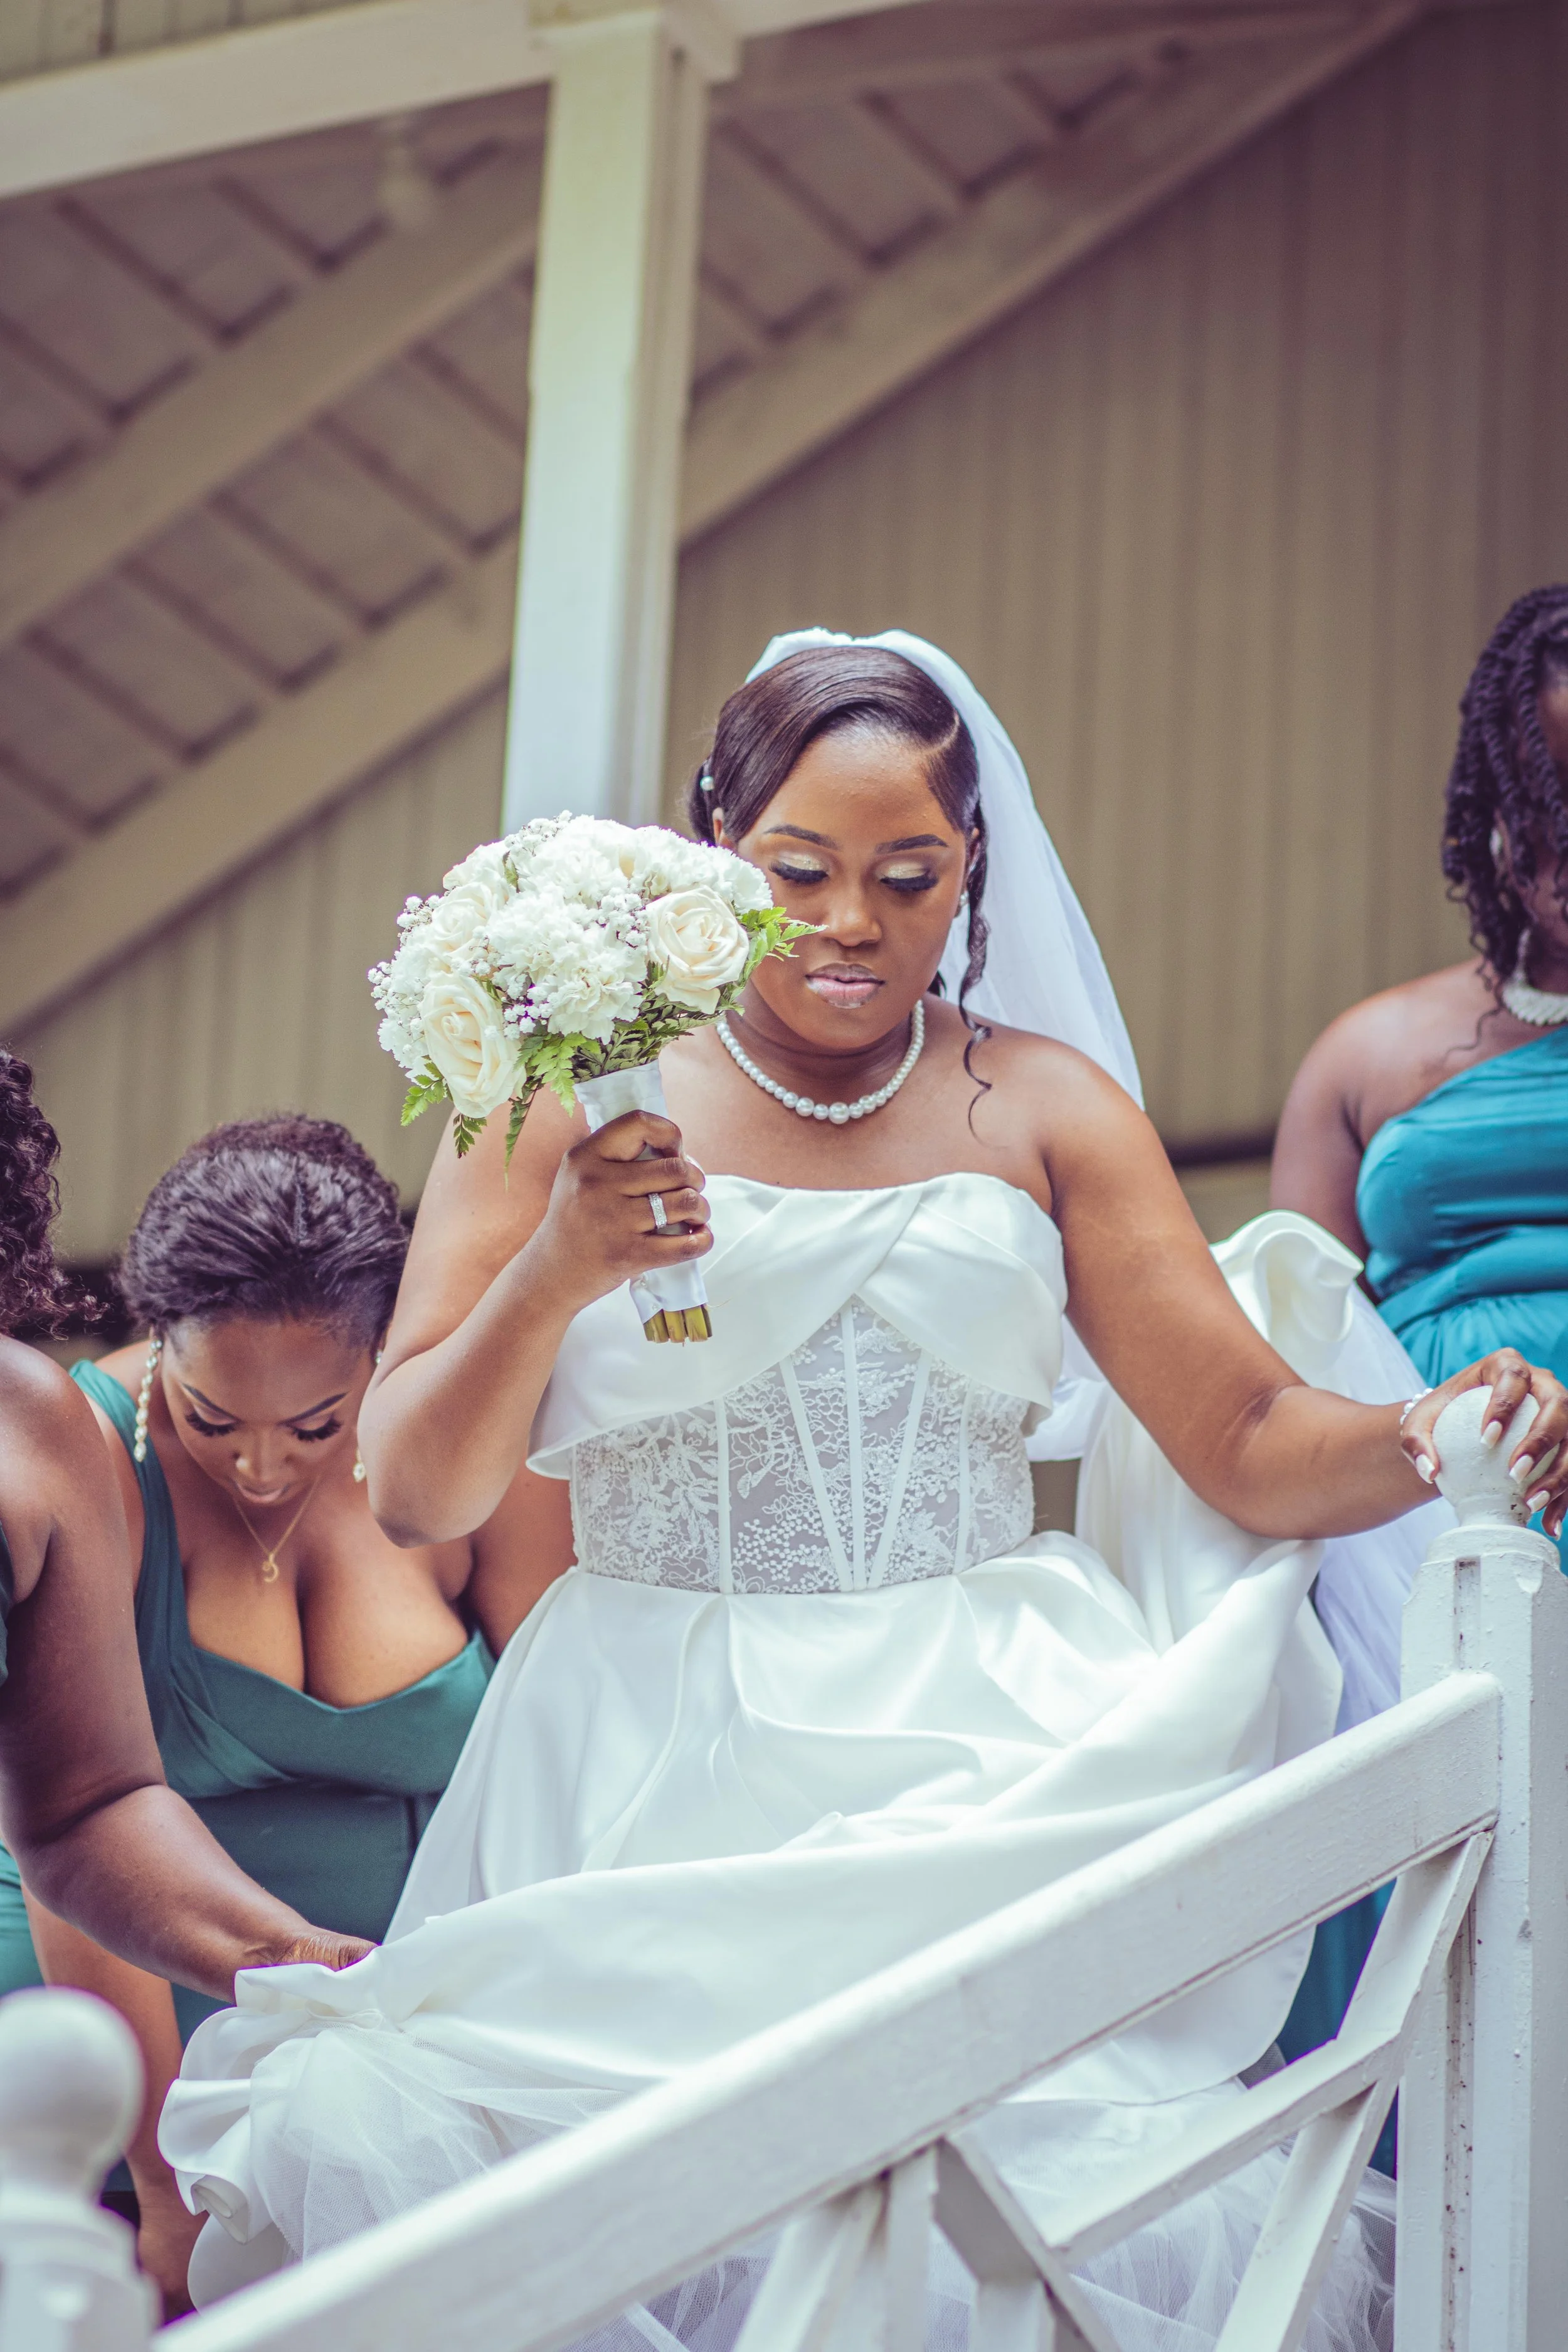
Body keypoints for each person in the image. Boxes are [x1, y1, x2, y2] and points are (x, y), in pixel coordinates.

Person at [162, 635, 1568, 2347]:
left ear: (968, 867)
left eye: (907, 878)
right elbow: (409, 1488)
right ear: (709, 856)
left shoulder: (1043, 1106)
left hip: (987, 1734)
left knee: (1022, 2208)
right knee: (594, 2196)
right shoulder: (557, 1099)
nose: (851, 923)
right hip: (644, 1749)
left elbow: (1245, 1432)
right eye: (797, 874)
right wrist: (555, 1267)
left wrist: (1422, 1428)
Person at [5, 1115, 556, 2311]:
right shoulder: (79, 1449)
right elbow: (76, 1834)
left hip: (397, 2040)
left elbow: (561, 1729)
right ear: (158, 1336)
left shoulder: (458, 1449)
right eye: (212, 1420)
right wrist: (163, 2182)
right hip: (116, 2026)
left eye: (317, 1426)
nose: (263, 1470)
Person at [0, 1055, 372, 2307]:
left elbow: (84, 1806)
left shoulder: (27, 1423)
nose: (266, 1466)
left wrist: (303, 1962)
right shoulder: (100, 1433)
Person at [1273, 584, 1568, 1387]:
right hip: (1424, 1500)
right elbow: (1289, 1373)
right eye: (1551, 798)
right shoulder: (1364, 1054)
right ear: (1497, 811)